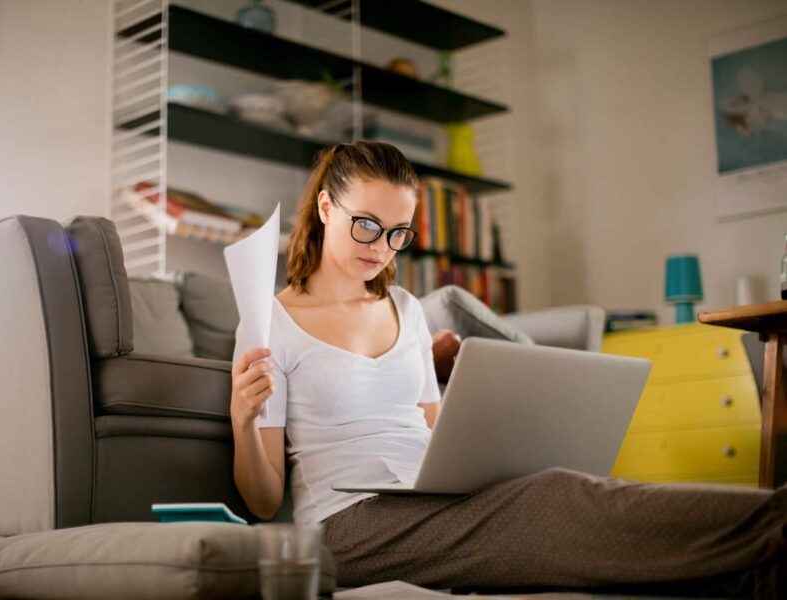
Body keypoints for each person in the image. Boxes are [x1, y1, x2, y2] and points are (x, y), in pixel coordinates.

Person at [230, 140, 785, 598]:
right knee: (561, 497)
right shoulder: (272, 321)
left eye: (399, 232)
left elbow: (436, 434)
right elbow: (262, 499)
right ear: (327, 208)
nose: (383, 247)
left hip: (433, 500)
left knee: (570, 502)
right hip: (349, 527)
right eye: (368, 225)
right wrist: (244, 421)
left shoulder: (405, 310)